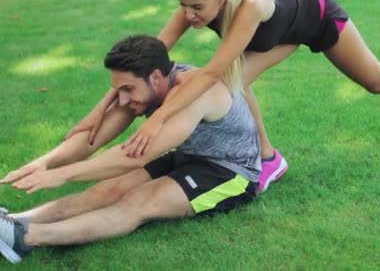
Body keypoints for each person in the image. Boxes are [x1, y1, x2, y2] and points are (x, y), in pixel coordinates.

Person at [66, 0, 380, 194]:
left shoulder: (248, 4)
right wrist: (97, 111)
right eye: (183, 4)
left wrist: (157, 120)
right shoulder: (195, 2)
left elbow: (214, 71)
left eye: (197, 7)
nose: (189, 15)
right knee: (237, 81)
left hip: (317, 19)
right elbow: (146, 60)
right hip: (280, 35)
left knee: (375, 81)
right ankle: (267, 156)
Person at [0, 35, 260, 264]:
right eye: (118, 90)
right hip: (189, 156)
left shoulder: (194, 92)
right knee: (107, 189)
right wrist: (45, 163)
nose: (122, 100)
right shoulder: (143, 89)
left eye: (128, 89)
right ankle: (16, 222)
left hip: (229, 172)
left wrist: (63, 174)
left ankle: (27, 238)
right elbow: (93, 139)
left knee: (137, 202)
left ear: (156, 77)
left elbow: (135, 156)